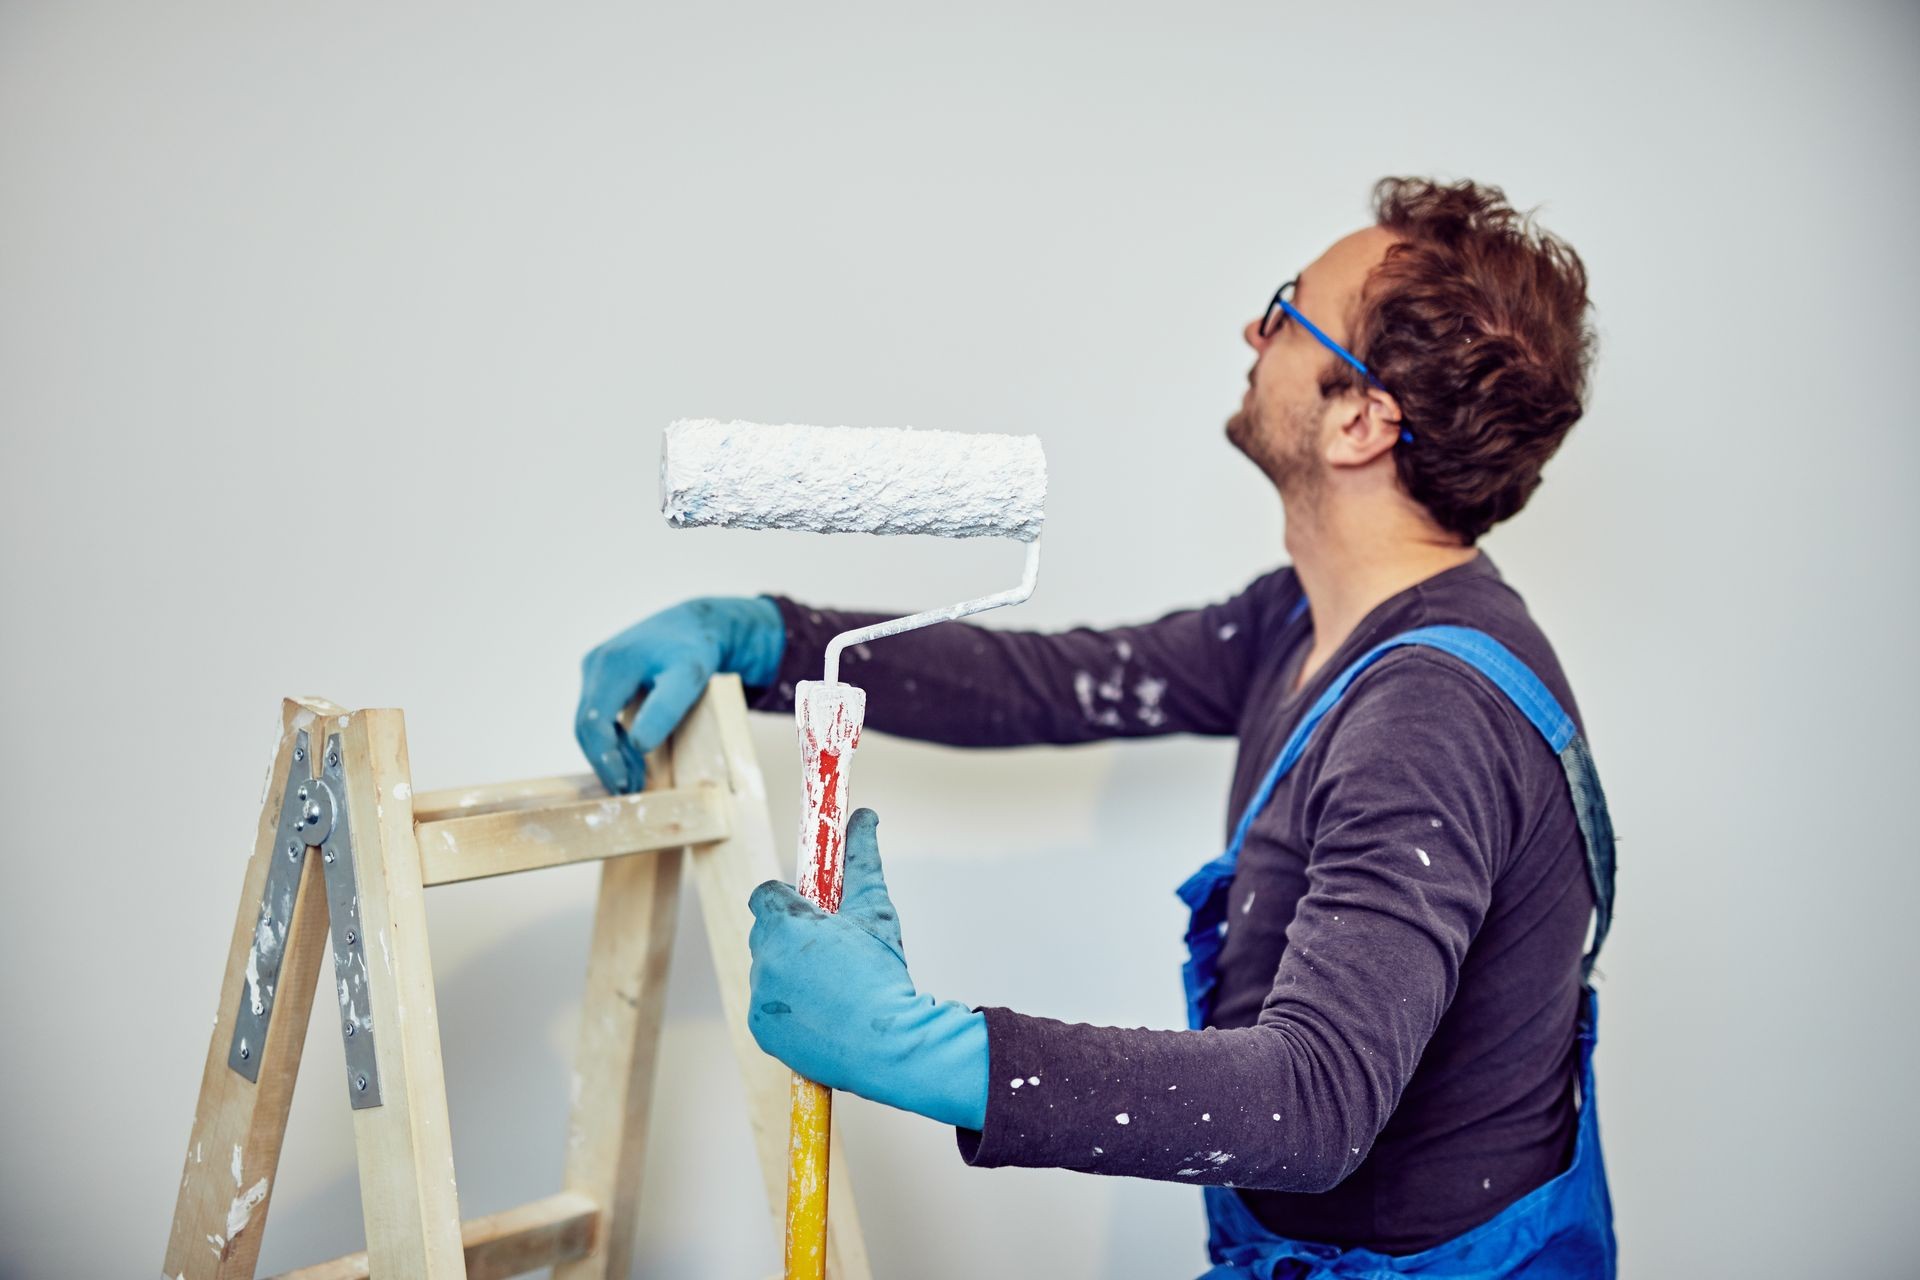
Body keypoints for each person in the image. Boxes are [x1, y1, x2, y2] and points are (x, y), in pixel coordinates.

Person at [575, 177, 1617, 1277]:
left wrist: (927, 1049)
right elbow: (1052, 681)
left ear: (1360, 419)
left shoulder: (1430, 715)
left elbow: (1311, 1103)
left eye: (1286, 310)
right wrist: (769, 640)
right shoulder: (1306, 625)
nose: (1252, 331)